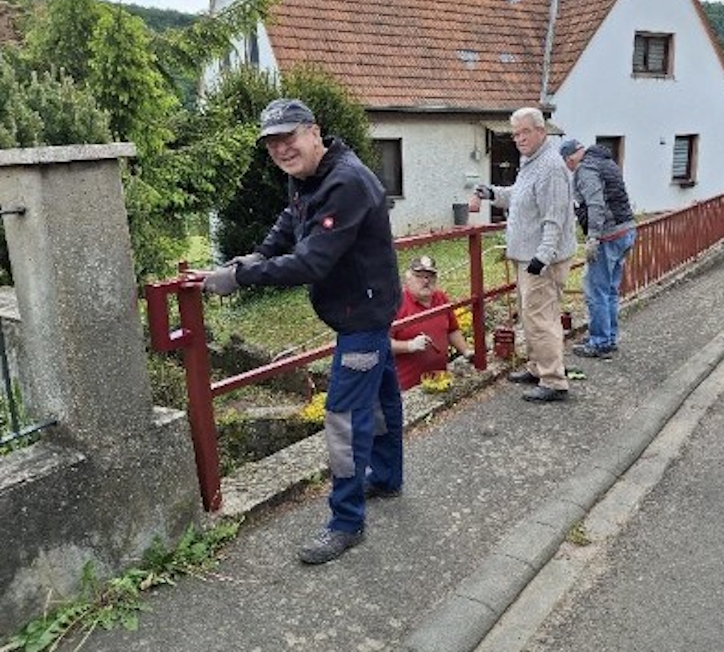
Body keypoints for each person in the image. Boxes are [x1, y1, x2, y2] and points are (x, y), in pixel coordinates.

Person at [195, 98, 403, 565]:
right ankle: (386, 475)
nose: (281, 150)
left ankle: (346, 521)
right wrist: (257, 254)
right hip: (363, 305)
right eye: (272, 143)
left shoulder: (346, 182)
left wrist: (241, 277)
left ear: (314, 131)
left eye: (288, 138)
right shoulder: (308, 175)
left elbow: (312, 261)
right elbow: (291, 221)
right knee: (380, 396)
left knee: (345, 418)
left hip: (362, 315)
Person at [469, 107, 576, 402]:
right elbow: (519, 195)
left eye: (524, 132)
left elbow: (555, 217)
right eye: (515, 134)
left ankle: (554, 380)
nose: (518, 139)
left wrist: (543, 257)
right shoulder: (532, 161)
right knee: (530, 315)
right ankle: (537, 367)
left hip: (541, 260)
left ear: (541, 131)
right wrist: (492, 193)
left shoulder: (551, 167)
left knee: (542, 318)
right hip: (528, 256)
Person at [559, 139, 637, 359]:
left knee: (596, 290)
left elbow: (595, 204)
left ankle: (600, 342)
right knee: (610, 290)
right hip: (627, 230)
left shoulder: (586, 169)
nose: (570, 168)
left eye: (568, 164)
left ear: (570, 158)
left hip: (608, 235)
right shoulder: (605, 162)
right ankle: (608, 337)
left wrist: (593, 237)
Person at [391, 255, 474, 390]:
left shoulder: (440, 298)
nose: (426, 280)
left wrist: (466, 351)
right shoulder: (396, 304)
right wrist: (410, 345)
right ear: (408, 279)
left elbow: (452, 330)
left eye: (430, 276)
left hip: (440, 379)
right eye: (419, 276)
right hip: (407, 387)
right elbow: (381, 343)